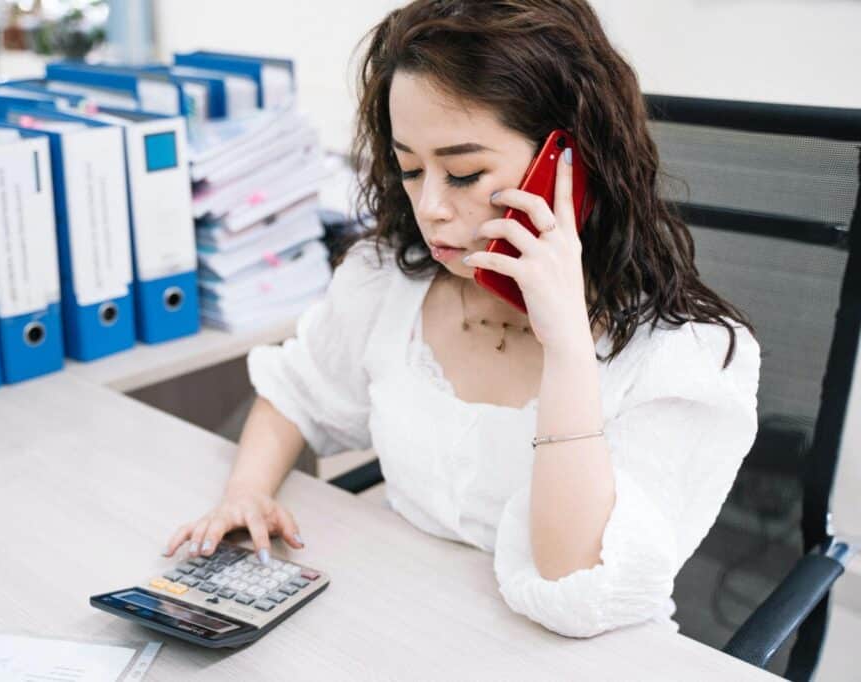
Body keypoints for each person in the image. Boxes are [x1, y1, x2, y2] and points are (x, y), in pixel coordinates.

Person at [163, 0, 761, 638]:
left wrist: (566, 346)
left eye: (465, 173)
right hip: (412, 623)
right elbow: (297, 392)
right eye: (411, 168)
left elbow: (572, 584)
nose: (430, 207)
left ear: (568, 164)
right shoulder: (387, 281)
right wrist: (247, 490)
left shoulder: (686, 355)